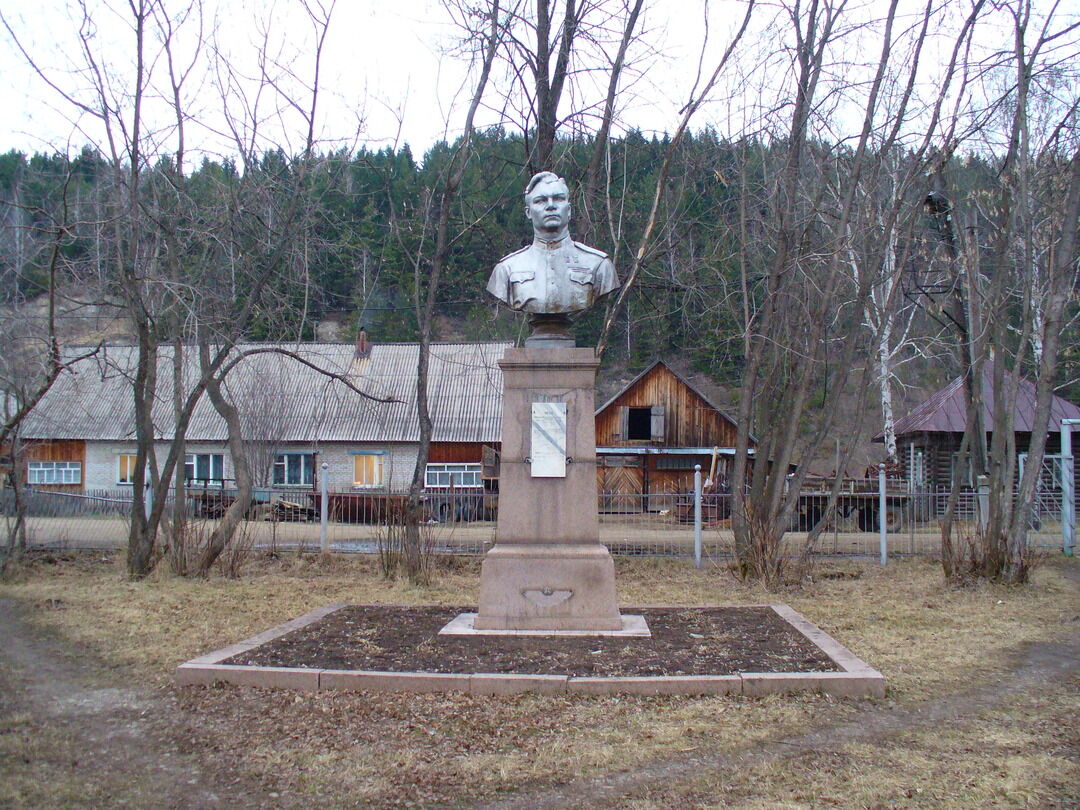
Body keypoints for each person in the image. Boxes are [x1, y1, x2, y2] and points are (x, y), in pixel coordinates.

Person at [486, 171, 619, 344]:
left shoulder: (599, 265)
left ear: (569, 210)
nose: (550, 206)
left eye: (558, 198)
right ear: (528, 212)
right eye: (541, 200)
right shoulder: (507, 269)